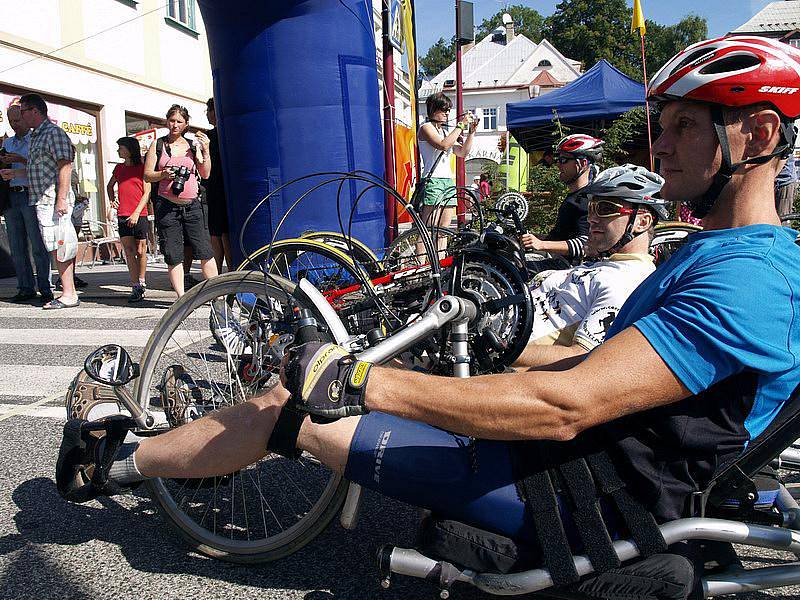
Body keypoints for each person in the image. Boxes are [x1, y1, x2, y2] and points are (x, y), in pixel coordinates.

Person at [57, 36, 800, 598]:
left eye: (681, 126)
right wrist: (458, 359)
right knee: (336, 385)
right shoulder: (724, 255)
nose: (659, 145)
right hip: (583, 466)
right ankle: (143, 458)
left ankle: (113, 463)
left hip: (577, 494)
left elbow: (566, 406)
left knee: (296, 407)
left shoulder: (748, 281)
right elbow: (604, 370)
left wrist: (363, 381)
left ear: (758, 137)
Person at [515, 164, 664, 369]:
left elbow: (581, 357)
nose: (591, 218)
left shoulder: (626, 283)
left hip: (492, 358)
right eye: (591, 208)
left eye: (605, 209)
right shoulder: (609, 264)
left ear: (641, 222)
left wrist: (500, 349)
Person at [1, 94, 78, 309]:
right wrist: (15, 174)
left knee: (59, 245)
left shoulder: (52, 133)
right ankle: (68, 291)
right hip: (41, 199)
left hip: (53, 199)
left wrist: (61, 199)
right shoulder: (38, 135)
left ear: (34, 111)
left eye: (23, 111)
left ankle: (68, 293)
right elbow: (41, 169)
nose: (20, 117)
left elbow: (65, 165)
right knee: (55, 246)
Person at [143, 104, 216, 297]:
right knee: (173, 253)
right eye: (172, 120)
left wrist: (206, 150)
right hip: (166, 206)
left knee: (204, 250)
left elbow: (205, 174)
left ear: (186, 124)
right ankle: (180, 298)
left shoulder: (193, 146)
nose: (175, 125)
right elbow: (147, 175)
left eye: (179, 122)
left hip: (192, 206)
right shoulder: (158, 145)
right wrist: (163, 174)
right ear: (167, 121)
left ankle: (218, 296)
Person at [521, 134, 604, 263]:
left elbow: (586, 244)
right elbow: (559, 237)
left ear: (582, 163)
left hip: (573, 271)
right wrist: (532, 238)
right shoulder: (574, 197)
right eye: (558, 159)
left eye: (563, 160)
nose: (558, 165)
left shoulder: (587, 200)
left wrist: (541, 245)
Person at [0, 104, 52, 304]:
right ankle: (25, 287)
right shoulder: (9, 142)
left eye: (18, 121)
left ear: (26, 118)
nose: (15, 125)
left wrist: (21, 160)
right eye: (11, 121)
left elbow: (42, 167)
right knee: (17, 245)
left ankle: (45, 287)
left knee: (38, 243)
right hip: (11, 195)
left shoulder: (36, 140)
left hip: (30, 194)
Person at [417, 93, 476, 254]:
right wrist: (460, 125)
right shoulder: (426, 127)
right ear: (433, 109)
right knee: (429, 228)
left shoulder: (444, 131)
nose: (447, 113)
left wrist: (471, 132)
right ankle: (420, 267)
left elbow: (462, 152)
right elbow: (443, 145)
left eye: (449, 110)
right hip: (433, 180)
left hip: (447, 181)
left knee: (443, 229)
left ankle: (440, 264)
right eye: (444, 110)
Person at [107, 137, 150, 303]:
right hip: (123, 213)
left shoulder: (142, 167)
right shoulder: (118, 168)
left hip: (140, 213)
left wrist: (137, 213)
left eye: (120, 148)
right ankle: (136, 286)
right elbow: (109, 186)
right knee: (129, 250)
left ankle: (142, 280)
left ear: (130, 149)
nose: (118, 150)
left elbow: (146, 192)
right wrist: (112, 200)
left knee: (141, 250)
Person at [204, 98, 232, 272]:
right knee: (217, 233)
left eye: (209, 110)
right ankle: (221, 274)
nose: (207, 114)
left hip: (220, 188)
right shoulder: (208, 136)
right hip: (215, 188)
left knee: (223, 234)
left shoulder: (218, 135)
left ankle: (229, 272)